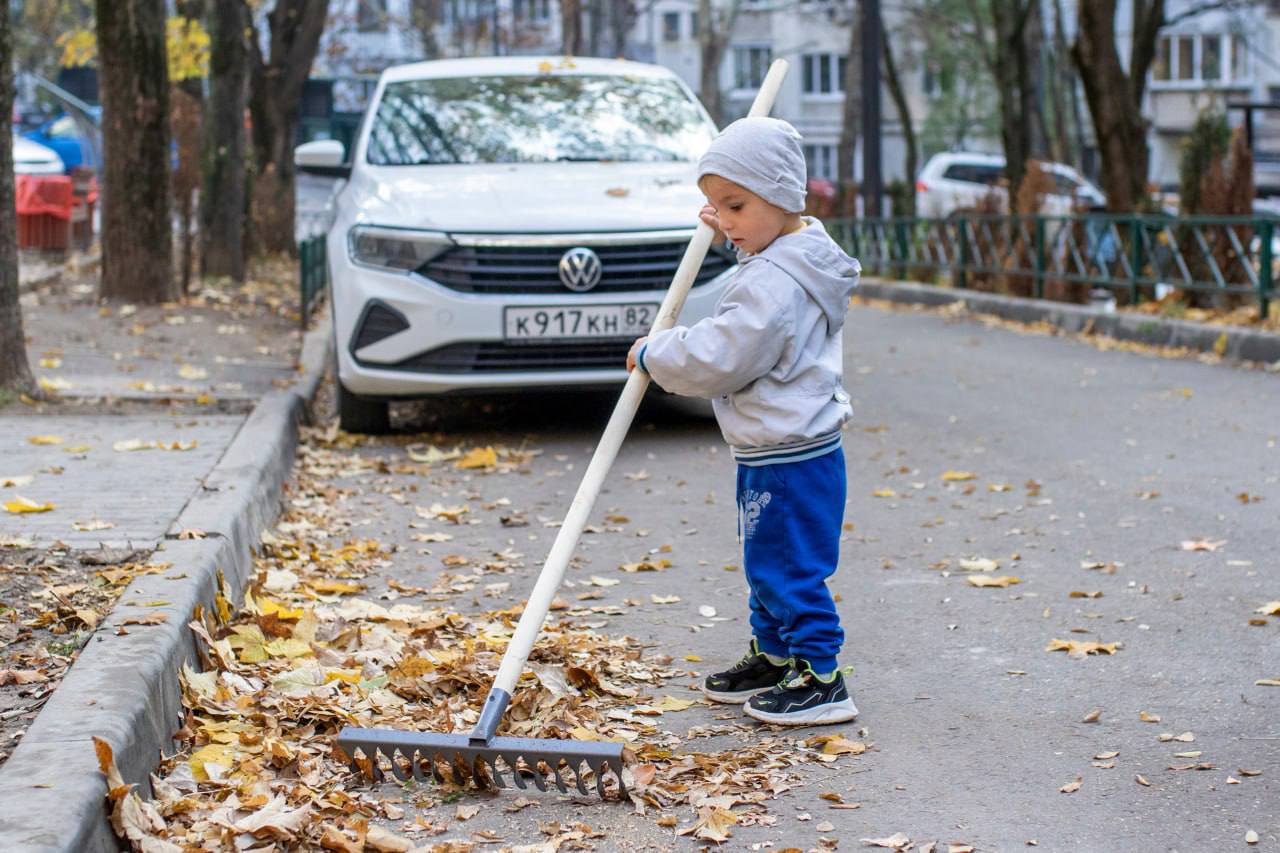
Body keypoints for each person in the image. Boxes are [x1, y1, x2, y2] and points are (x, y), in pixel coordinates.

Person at [626, 116, 861, 726]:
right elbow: (764, 242)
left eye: (735, 205)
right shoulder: (795, 252)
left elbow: (724, 354)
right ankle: (777, 655)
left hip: (788, 454)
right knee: (767, 564)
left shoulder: (773, 284)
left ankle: (821, 676)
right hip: (779, 447)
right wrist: (737, 227)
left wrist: (658, 351)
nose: (725, 221)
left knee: (787, 567)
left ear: (781, 198)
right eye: (714, 207)